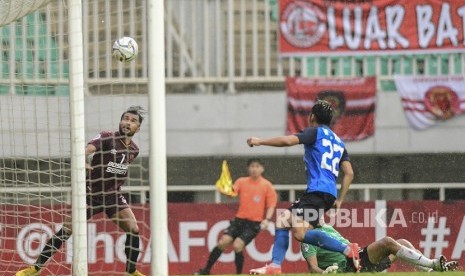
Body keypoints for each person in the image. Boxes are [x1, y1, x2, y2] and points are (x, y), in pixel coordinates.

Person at [16, 106, 146, 276]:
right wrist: (82, 160)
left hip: (113, 196)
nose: (127, 123)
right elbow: (87, 150)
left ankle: (131, 271)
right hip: (90, 195)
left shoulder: (134, 150)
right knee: (66, 230)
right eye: (125, 118)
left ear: (138, 128)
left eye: (133, 121)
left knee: (133, 228)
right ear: (120, 121)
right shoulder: (107, 137)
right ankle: (35, 269)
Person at [247, 100, 359, 274]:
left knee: (299, 233)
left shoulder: (314, 133)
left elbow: (287, 141)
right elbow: (349, 173)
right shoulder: (339, 142)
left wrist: (260, 141)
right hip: (328, 193)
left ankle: (347, 249)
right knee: (283, 221)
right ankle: (275, 266)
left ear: (312, 116)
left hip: (317, 191)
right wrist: (340, 199)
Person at [195, 158, 278, 275]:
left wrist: (267, 219)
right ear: (248, 168)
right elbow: (232, 194)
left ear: (262, 169)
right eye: (252, 166)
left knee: (237, 245)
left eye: (257, 166)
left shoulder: (267, 185)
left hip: (254, 224)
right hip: (239, 220)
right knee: (223, 242)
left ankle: (238, 274)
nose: (254, 169)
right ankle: (206, 270)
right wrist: (225, 190)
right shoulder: (241, 181)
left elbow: (271, 205)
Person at [300, 221, 459, 273]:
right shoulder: (307, 239)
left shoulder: (326, 227)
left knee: (401, 243)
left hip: (360, 260)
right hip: (350, 268)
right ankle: (433, 263)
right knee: (387, 242)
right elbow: (313, 269)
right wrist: (326, 273)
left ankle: (430, 270)